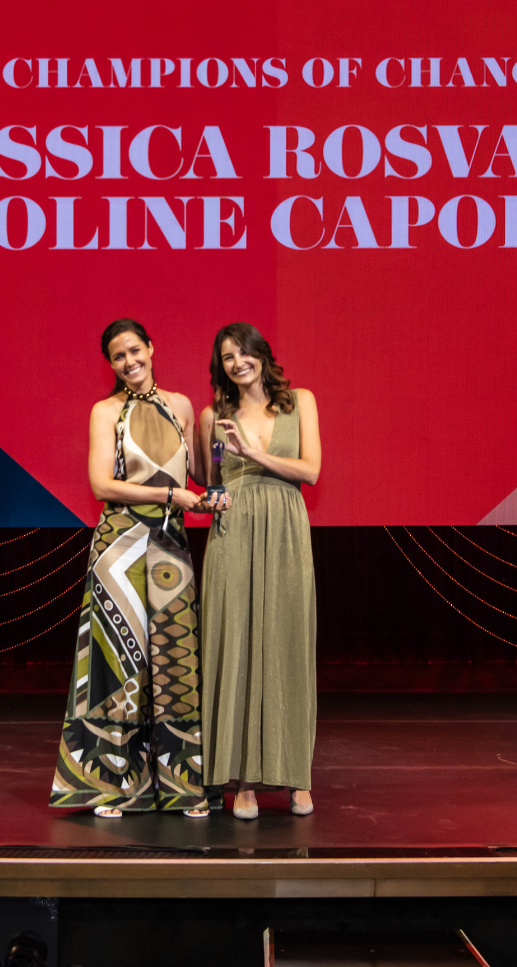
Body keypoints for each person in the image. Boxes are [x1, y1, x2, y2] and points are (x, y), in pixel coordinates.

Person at [50, 319, 226, 818]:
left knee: (176, 659)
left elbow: (198, 476)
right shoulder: (105, 411)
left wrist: (218, 441)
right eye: (118, 356)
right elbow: (103, 485)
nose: (129, 361)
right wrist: (172, 495)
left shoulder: (183, 405)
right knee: (117, 665)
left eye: (134, 350)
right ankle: (111, 783)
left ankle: (183, 785)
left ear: (152, 348)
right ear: (110, 364)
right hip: (120, 546)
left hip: (171, 544)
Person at [198, 323, 321, 819]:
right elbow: (211, 484)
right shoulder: (214, 416)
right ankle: (242, 781)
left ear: (261, 354)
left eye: (243, 352)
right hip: (234, 533)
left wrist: (252, 453)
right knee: (237, 646)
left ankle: (296, 777)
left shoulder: (300, 402)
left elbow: (311, 471)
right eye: (227, 357)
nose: (237, 363)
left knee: (286, 643)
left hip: (287, 529)